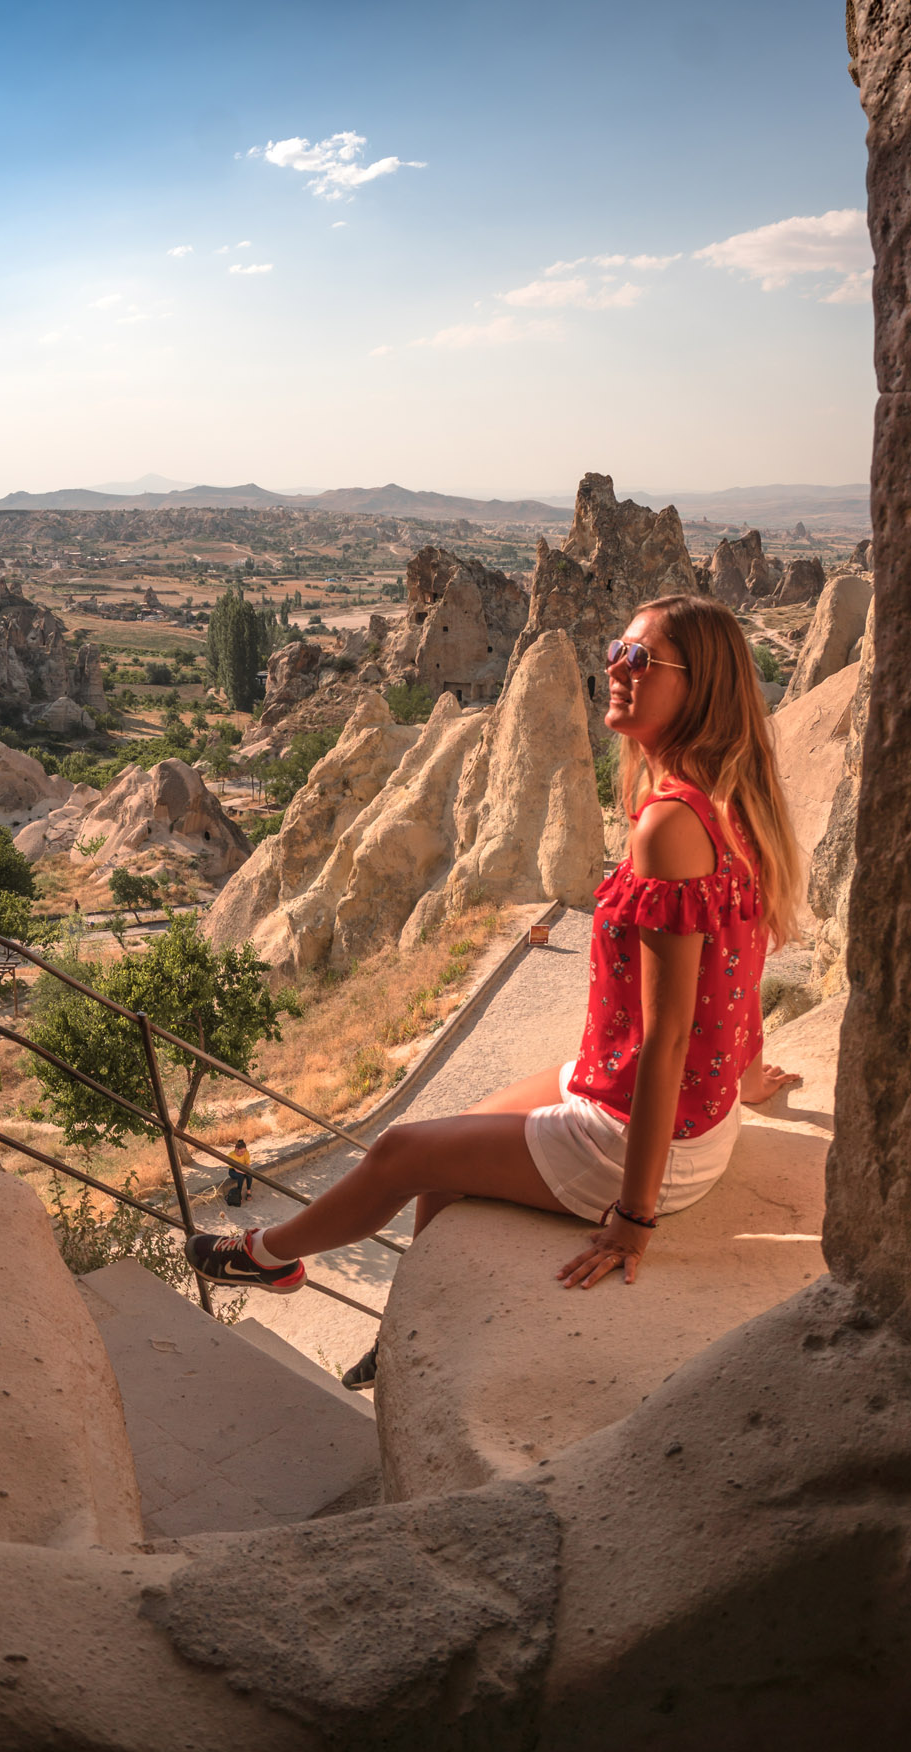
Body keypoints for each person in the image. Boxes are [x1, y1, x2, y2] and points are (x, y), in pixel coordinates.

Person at [184, 593, 803, 1393]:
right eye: (617, 649)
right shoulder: (730, 805)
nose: (615, 667)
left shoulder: (670, 826)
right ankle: (413, 1328)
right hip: (686, 1111)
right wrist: (744, 1080)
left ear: (702, 687)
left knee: (401, 1153)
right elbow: (739, 964)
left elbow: (669, 1036)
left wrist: (635, 1218)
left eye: (642, 659)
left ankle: (268, 1258)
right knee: (452, 1142)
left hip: (644, 1139)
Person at [226, 1136, 253, 1203]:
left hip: (243, 1168)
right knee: (240, 1176)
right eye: (241, 1152)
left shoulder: (246, 1152)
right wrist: (244, 1172)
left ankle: (248, 1192)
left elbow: (248, 1164)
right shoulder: (231, 1155)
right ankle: (239, 1194)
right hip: (233, 1170)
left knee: (250, 1174)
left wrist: (247, 1171)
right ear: (236, 1149)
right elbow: (236, 1169)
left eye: (244, 1151)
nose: (243, 1153)